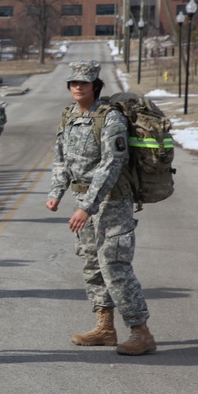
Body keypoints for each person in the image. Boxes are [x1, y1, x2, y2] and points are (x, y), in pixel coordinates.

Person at [46, 60, 156, 355]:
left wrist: (87, 207)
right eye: (73, 82)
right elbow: (60, 157)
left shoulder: (110, 119)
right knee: (92, 264)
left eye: (83, 82)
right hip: (85, 200)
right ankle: (105, 327)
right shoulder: (68, 116)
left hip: (113, 201)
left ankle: (140, 331)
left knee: (115, 266)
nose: (77, 87)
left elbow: (111, 165)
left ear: (96, 84)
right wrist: (57, 191)